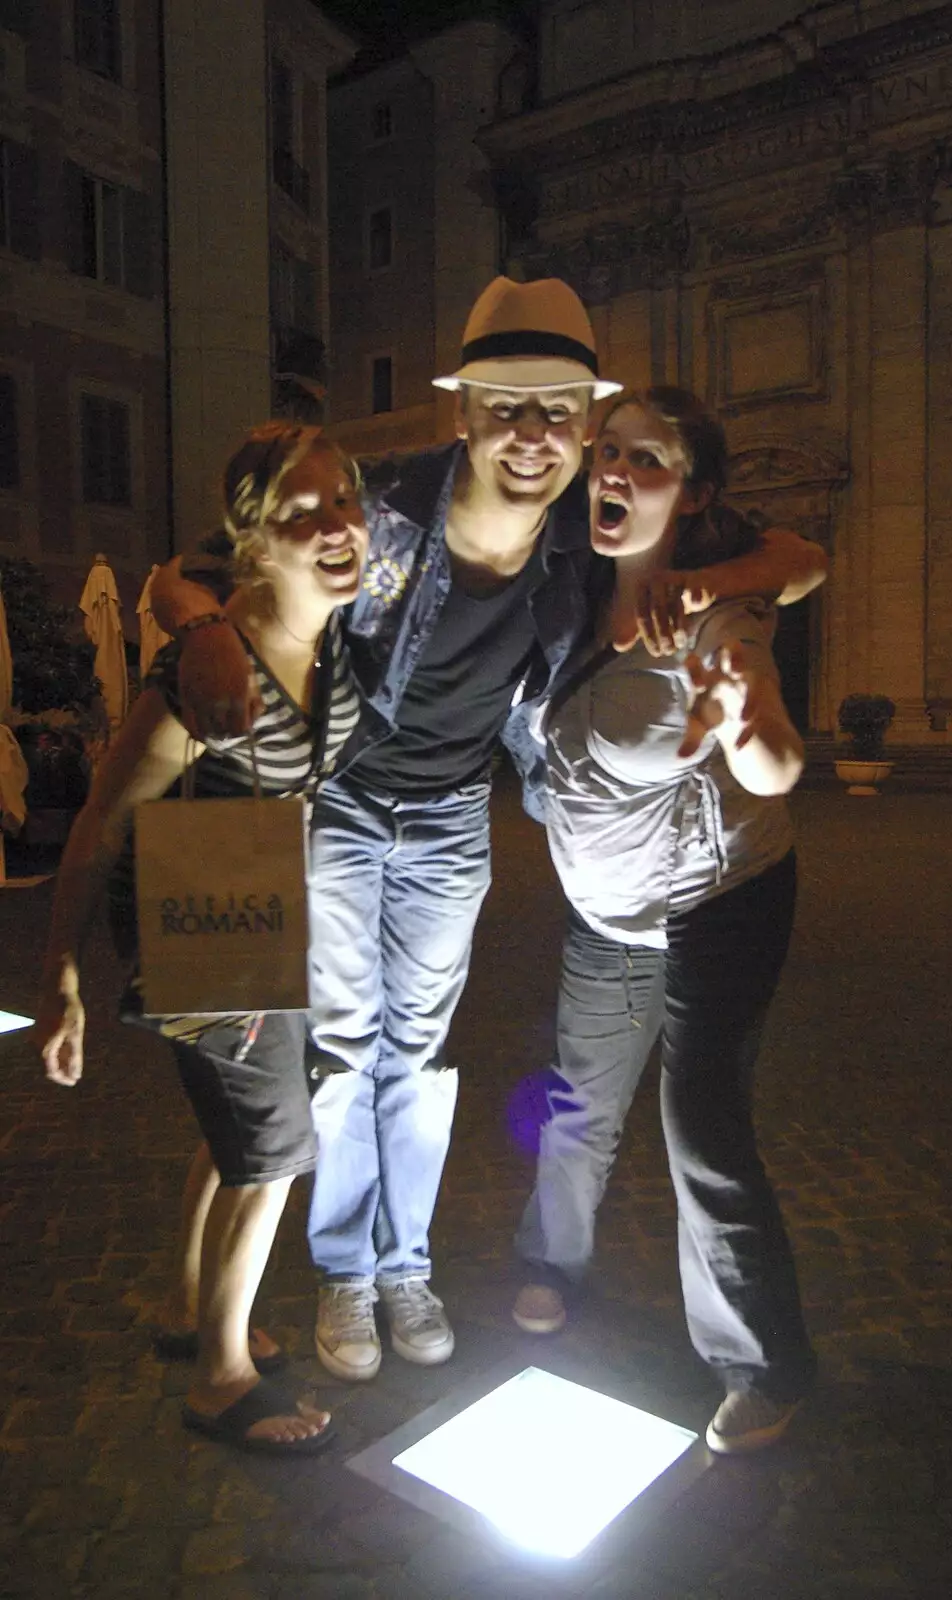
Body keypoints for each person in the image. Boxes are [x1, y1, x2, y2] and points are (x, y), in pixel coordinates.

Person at [150, 278, 828, 1384]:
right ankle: (343, 1279)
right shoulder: (375, 501)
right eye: (505, 405)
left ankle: (404, 1267)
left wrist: (709, 582)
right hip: (340, 805)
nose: (534, 433)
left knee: (415, 1058)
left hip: (454, 818)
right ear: (460, 410)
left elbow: (797, 557)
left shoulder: (581, 526)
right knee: (342, 1054)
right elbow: (189, 567)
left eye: (560, 409)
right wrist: (201, 633)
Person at [36, 422, 367, 1455]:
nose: (338, 524)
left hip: (260, 906)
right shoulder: (203, 672)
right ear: (254, 538)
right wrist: (63, 976)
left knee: (235, 1135)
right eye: (303, 510)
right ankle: (223, 1377)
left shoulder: (331, 645)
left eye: (344, 500)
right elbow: (101, 815)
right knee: (273, 1150)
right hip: (201, 924)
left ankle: (191, 1311)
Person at [512, 387, 817, 1456]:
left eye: (646, 458)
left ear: (692, 496)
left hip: (715, 902)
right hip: (603, 911)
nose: (610, 469)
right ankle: (551, 1263)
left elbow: (773, 754)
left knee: (702, 1129)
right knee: (572, 1108)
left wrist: (743, 719)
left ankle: (759, 1365)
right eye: (608, 451)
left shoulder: (719, 616)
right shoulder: (561, 581)